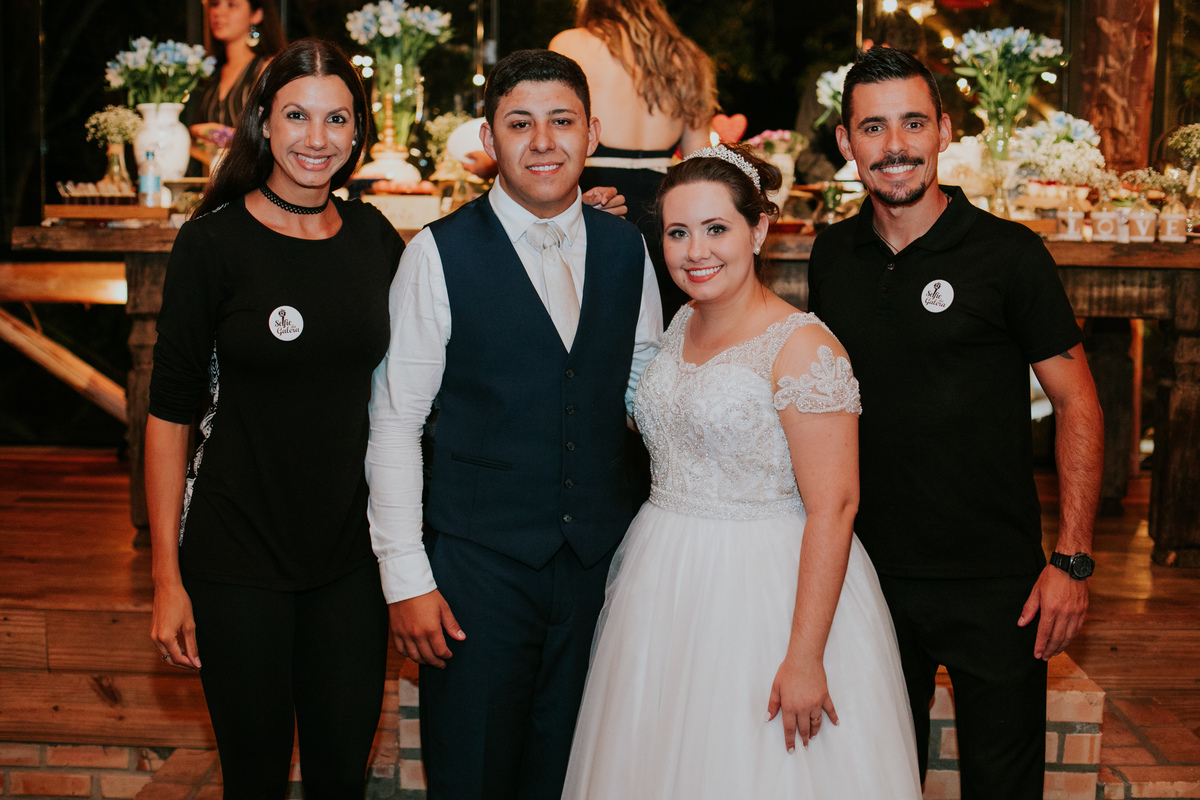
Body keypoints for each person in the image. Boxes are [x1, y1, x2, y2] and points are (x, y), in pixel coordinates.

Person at [561, 143, 921, 798]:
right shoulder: (679, 325)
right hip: (661, 575)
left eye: (716, 228)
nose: (694, 251)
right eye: (677, 232)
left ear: (757, 229)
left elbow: (835, 506)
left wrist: (806, 656)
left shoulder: (803, 347)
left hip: (763, 588)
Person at [365, 49, 663, 799]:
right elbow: (395, 422)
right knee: (473, 776)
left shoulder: (628, 248)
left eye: (561, 121)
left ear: (592, 134)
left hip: (597, 569)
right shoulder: (436, 254)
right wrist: (405, 579)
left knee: (576, 778)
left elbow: (644, 393)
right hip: (478, 574)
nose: (543, 142)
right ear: (488, 138)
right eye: (519, 123)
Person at [808, 46, 1104, 800]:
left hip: (998, 584)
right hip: (868, 579)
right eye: (873, 127)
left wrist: (1071, 560)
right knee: (874, 787)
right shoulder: (832, 255)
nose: (895, 145)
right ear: (845, 141)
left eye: (913, 123)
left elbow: (1078, 404)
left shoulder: (1009, 254)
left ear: (944, 131)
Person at [147, 38, 403, 798]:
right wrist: (165, 577)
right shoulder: (212, 244)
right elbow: (168, 417)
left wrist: (572, 211)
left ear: (358, 132)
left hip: (350, 558)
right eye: (297, 115)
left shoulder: (375, 239)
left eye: (336, 119)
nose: (316, 138)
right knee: (254, 780)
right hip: (236, 554)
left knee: (340, 781)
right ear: (263, 121)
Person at [550, 0, 717, 322]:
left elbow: (553, 132)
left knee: (591, 323)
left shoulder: (570, 43)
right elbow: (700, 162)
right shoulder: (686, 55)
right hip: (665, 210)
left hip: (597, 202)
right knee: (662, 323)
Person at [189, 0, 286, 164]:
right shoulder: (211, 73)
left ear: (256, 15)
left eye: (231, 4)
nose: (218, 12)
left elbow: (279, 136)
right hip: (216, 176)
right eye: (215, 4)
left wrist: (222, 134)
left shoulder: (267, 68)